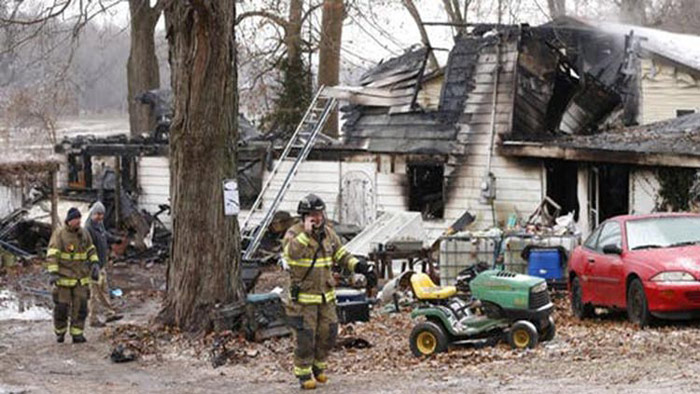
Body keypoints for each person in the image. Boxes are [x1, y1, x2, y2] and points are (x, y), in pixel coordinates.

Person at [283, 194, 377, 390]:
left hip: (326, 295)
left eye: (319, 214)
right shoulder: (294, 234)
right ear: (304, 217)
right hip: (303, 299)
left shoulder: (328, 233)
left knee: (329, 332)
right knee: (305, 336)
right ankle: (303, 373)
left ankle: (318, 367)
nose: (317, 218)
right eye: (312, 215)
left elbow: (341, 254)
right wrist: (306, 235)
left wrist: (360, 267)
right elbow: (290, 254)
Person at [46, 207, 100, 343]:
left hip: (80, 279)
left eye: (79, 218)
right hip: (63, 279)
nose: (78, 221)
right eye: (76, 219)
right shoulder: (59, 234)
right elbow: (52, 254)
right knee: (61, 308)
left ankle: (77, 333)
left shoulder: (84, 234)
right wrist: (53, 272)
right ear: (69, 221)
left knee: (81, 307)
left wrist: (95, 264)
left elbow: (91, 249)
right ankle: (60, 332)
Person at [85, 202, 124, 327]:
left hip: (101, 264)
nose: (100, 217)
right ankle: (93, 319)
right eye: (98, 214)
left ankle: (109, 313)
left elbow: (104, 235)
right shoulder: (88, 228)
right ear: (93, 213)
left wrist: (114, 239)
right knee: (95, 294)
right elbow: (87, 249)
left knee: (104, 290)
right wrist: (93, 264)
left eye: (102, 215)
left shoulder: (99, 225)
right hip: (93, 267)